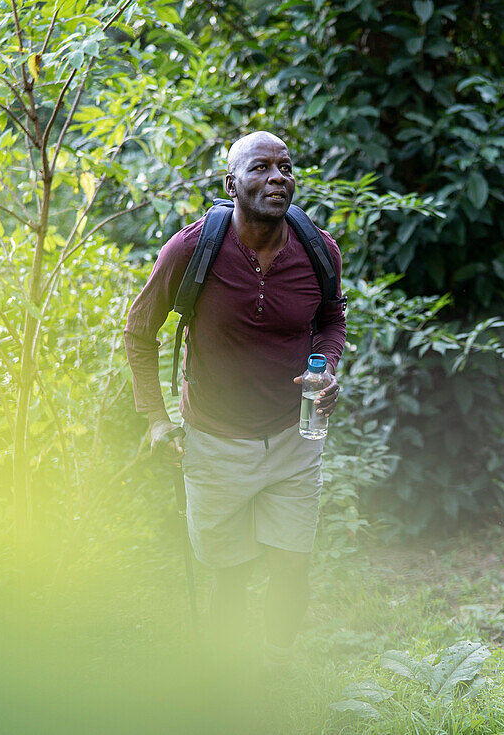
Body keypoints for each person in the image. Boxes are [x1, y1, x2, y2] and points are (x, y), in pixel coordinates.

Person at [124, 131, 345, 660]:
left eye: (286, 168)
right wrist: (156, 419)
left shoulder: (317, 249)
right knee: (229, 578)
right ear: (232, 183)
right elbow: (139, 330)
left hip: (294, 440)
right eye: (261, 168)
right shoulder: (192, 248)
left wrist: (328, 369)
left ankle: (274, 667)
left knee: (291, 571)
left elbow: (331, 319)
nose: (277, 178)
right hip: (213, 443)